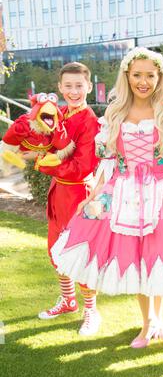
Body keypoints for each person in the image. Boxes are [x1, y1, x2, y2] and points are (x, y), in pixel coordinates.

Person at [50, 47, 163, 348]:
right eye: (137, 75)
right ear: (128, 76)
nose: (143, 81)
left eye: (150, 75)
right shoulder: (114, 113)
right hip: (123, 194)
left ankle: (158, 321)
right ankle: (146, 324)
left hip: (161, 194)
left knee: (156, 257)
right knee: (135, 260)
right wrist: (93, 195)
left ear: (159, 77)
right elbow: (107, 162)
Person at [22, 62, 101, 336]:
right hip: (59, 193)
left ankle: (91, 310)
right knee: (56, 250)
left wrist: (42, 162)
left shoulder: (90, 121)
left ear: (89, 86)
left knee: (82, 255)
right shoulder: (59, 113)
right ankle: (68, 300)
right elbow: (46, 141)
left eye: (79, 85)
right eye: (68, 86)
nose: (74, 91)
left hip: (80, 195)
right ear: (59, 88)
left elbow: (82, 166)